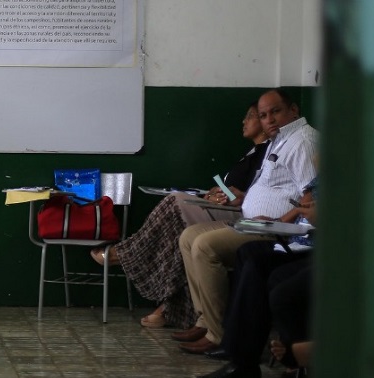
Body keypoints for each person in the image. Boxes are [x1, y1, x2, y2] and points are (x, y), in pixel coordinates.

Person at [89, 102, 269, 329]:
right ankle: (168, 307)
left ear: (263, 122)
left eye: (250, 116)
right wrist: (216, 193)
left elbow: (254, 194)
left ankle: (126, 254)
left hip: (241, 216)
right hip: (224, 208)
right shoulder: (250, 154)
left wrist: (236, 196)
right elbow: (233, 189)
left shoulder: (267, 154)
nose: (244, 121)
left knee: (175, 202)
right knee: (180, 235)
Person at [175, 88, 317, 355]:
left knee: (205, 245)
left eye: (275, 112)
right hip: (251, 220)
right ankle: (205, 321)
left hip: (278, 230)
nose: (269, 120)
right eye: (263, 115)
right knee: (188, 237)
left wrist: (278, 220)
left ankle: (219, 334)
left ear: (294, 110)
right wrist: (244, 198)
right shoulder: (278, 140)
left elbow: (310, 195)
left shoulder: (303, 141)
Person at [196, 179, 316, 378]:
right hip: (296, 242)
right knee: (249, 253)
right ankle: (237, 352)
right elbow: (304, 205)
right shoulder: (325, 178)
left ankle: (293, 367)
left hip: (317, 248)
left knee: (276, 279)